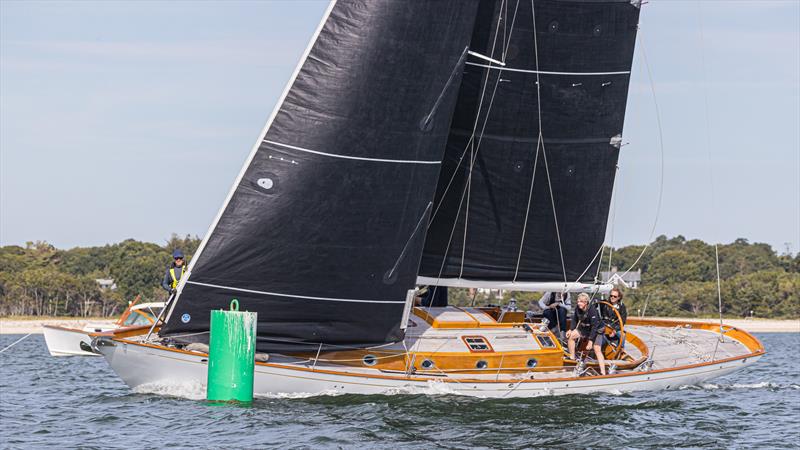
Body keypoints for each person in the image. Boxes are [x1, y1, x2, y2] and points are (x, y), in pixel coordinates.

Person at [566, 293, 607, 375]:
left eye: (581, 302)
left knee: (597, 349)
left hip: (597, 329)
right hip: (585, 328)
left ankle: (603, 372)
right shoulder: (578, 308)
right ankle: (572, 357)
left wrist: (591, 341)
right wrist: (570, 330)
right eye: (578, 301)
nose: (578, 303)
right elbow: (574, 319)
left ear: (586, 302)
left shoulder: (592, 310)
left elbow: (594, 327)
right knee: (571, 336)